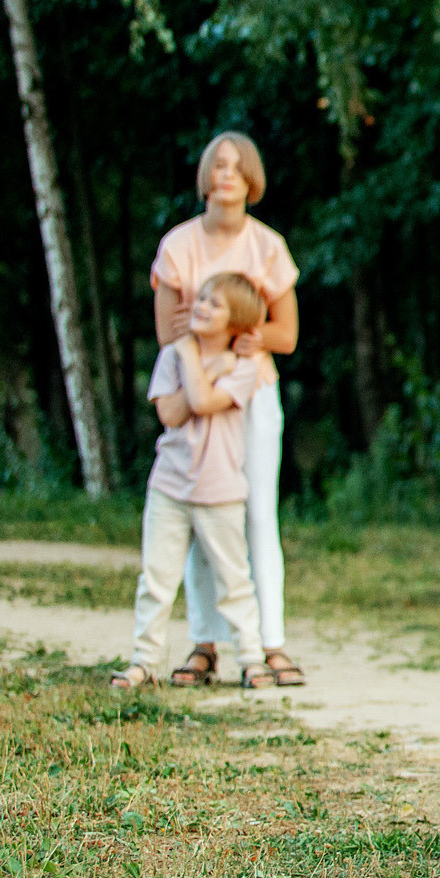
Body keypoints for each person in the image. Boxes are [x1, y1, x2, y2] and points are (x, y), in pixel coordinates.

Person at [151, 131, 304, 688]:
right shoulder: (178, 246)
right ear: (205, 175)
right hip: (196, 395)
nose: (226, 175)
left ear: (252, 181)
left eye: (238, 168)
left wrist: (249, 336)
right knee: (197, 512)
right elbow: (168, 330)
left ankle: (269, 643)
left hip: (251, 393)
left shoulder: (268, 246)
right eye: (218, 165)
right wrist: (202, 363)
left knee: (257, 512)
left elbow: (285, 334)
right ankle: (204, 644)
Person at [111, 273, 274, 691]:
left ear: (235, 322)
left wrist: (202, 362)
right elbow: (171, 413)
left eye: (214, 304)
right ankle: (144, 661)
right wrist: (193, 358)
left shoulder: (245, 368)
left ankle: (252, 659)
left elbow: (203, 401)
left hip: (220, 490)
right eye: (201, 298)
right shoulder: (173, 355)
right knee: (157, 577)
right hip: (170, 484)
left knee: (234, 580)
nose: (200, 307)